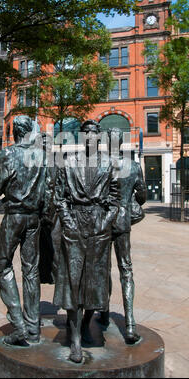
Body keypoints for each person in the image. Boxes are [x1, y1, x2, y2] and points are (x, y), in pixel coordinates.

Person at [53, 119, 119, 363]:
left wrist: (106, 221)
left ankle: (85, 324)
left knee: (95, 280)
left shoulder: (110, 163)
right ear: (81, 138)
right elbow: (58, 197)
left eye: (94, 134)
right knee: (73, 279)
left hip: (99, 224)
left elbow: (115, 199)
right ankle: (76, 341)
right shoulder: (67, 162)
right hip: (75, 222)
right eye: (86, 134)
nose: (91, 137)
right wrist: (68, 221)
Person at [0, 115, 47, 347]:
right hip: (34, 218)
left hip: (14, 216)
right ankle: (33, 327)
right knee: (31, 270)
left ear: (16, 131)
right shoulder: (42, 156)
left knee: (3, 264)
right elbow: (48, 189)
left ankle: (18, 323)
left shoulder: (9, 153)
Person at [97, 127, 146, 344]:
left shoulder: (100, 163)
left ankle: (104, 313)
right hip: (124, 220)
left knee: (104, 268)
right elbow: (142, 195)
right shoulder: (134, 165)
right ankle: (130, 324)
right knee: (126, 270)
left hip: (105, 221)